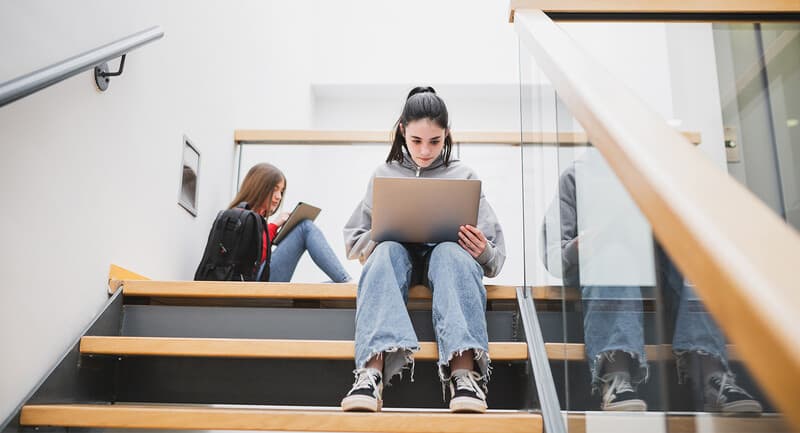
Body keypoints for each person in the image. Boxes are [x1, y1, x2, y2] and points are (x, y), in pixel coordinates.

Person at [545, 161, 762, 413]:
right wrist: (581, 245)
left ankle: (713, 376)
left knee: (693, 258)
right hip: (602, 264)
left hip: (655, 267)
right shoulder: (577, 175)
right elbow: (552, 253)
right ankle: (616, 376)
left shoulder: (662, 171)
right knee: (615, 255)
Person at [340, 86, 506, 413]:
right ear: (402, 131)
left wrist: (481, 250)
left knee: (450, 254)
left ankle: (464, 375)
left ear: (447, 135)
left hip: (446, 263)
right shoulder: (383, 174)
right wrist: (382, 234)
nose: (425, 151)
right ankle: (370, 374)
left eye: (435, 141)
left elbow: (496, 258)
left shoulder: (464, 175)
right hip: (395, 260)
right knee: (386, 251)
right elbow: (354, 242)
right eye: (416, 141)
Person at [232, 162, 351, 283]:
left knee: (333, 286)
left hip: (259, 278)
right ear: (259, 188)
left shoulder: (253, 218)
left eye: (281, 191)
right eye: (275, 190)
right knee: (306, 227)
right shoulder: (239, 216)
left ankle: (346, 284)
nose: (279, 197)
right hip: (253, 283)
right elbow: (252, 258)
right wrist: (274, 226)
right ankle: (347, 281)